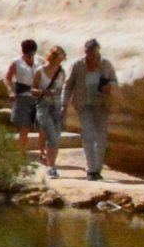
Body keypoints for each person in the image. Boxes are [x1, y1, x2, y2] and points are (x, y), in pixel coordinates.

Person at [66, 38, 117, 181]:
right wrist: (64, 103)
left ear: (97, 52)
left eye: (92, 53)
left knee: (101, 137)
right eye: (87, 53)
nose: (90, 56)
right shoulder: (78, 65)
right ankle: (90, 169)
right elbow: (69, 84)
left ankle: (97, 169)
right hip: (84, 104)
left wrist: (110, 86)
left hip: (102, 104)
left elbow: (114, 81)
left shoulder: (106, 64)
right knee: (88, 135)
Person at [31, 44, 68, 179]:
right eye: (59, 57)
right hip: (43, 105)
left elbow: (64, 89)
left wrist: (65, 105)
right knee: (51, 135)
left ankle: (51, 164)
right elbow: (33, 90)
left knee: (55, 137)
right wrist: (44, 92)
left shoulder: (61, 72)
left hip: (57, 106)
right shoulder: (40, 71)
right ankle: (51, 167)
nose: (61, 60)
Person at [7, 37, 40, 156]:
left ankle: (42, 152)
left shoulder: (39, 61)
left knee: (41, 125)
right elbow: (8, 78)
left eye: (32, 53)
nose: (30, 56)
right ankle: (22, 151)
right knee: (24, 127)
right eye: (28, 53)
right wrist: (11, 91)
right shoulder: (16, 62)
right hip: (23, 96)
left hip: (37, 96)